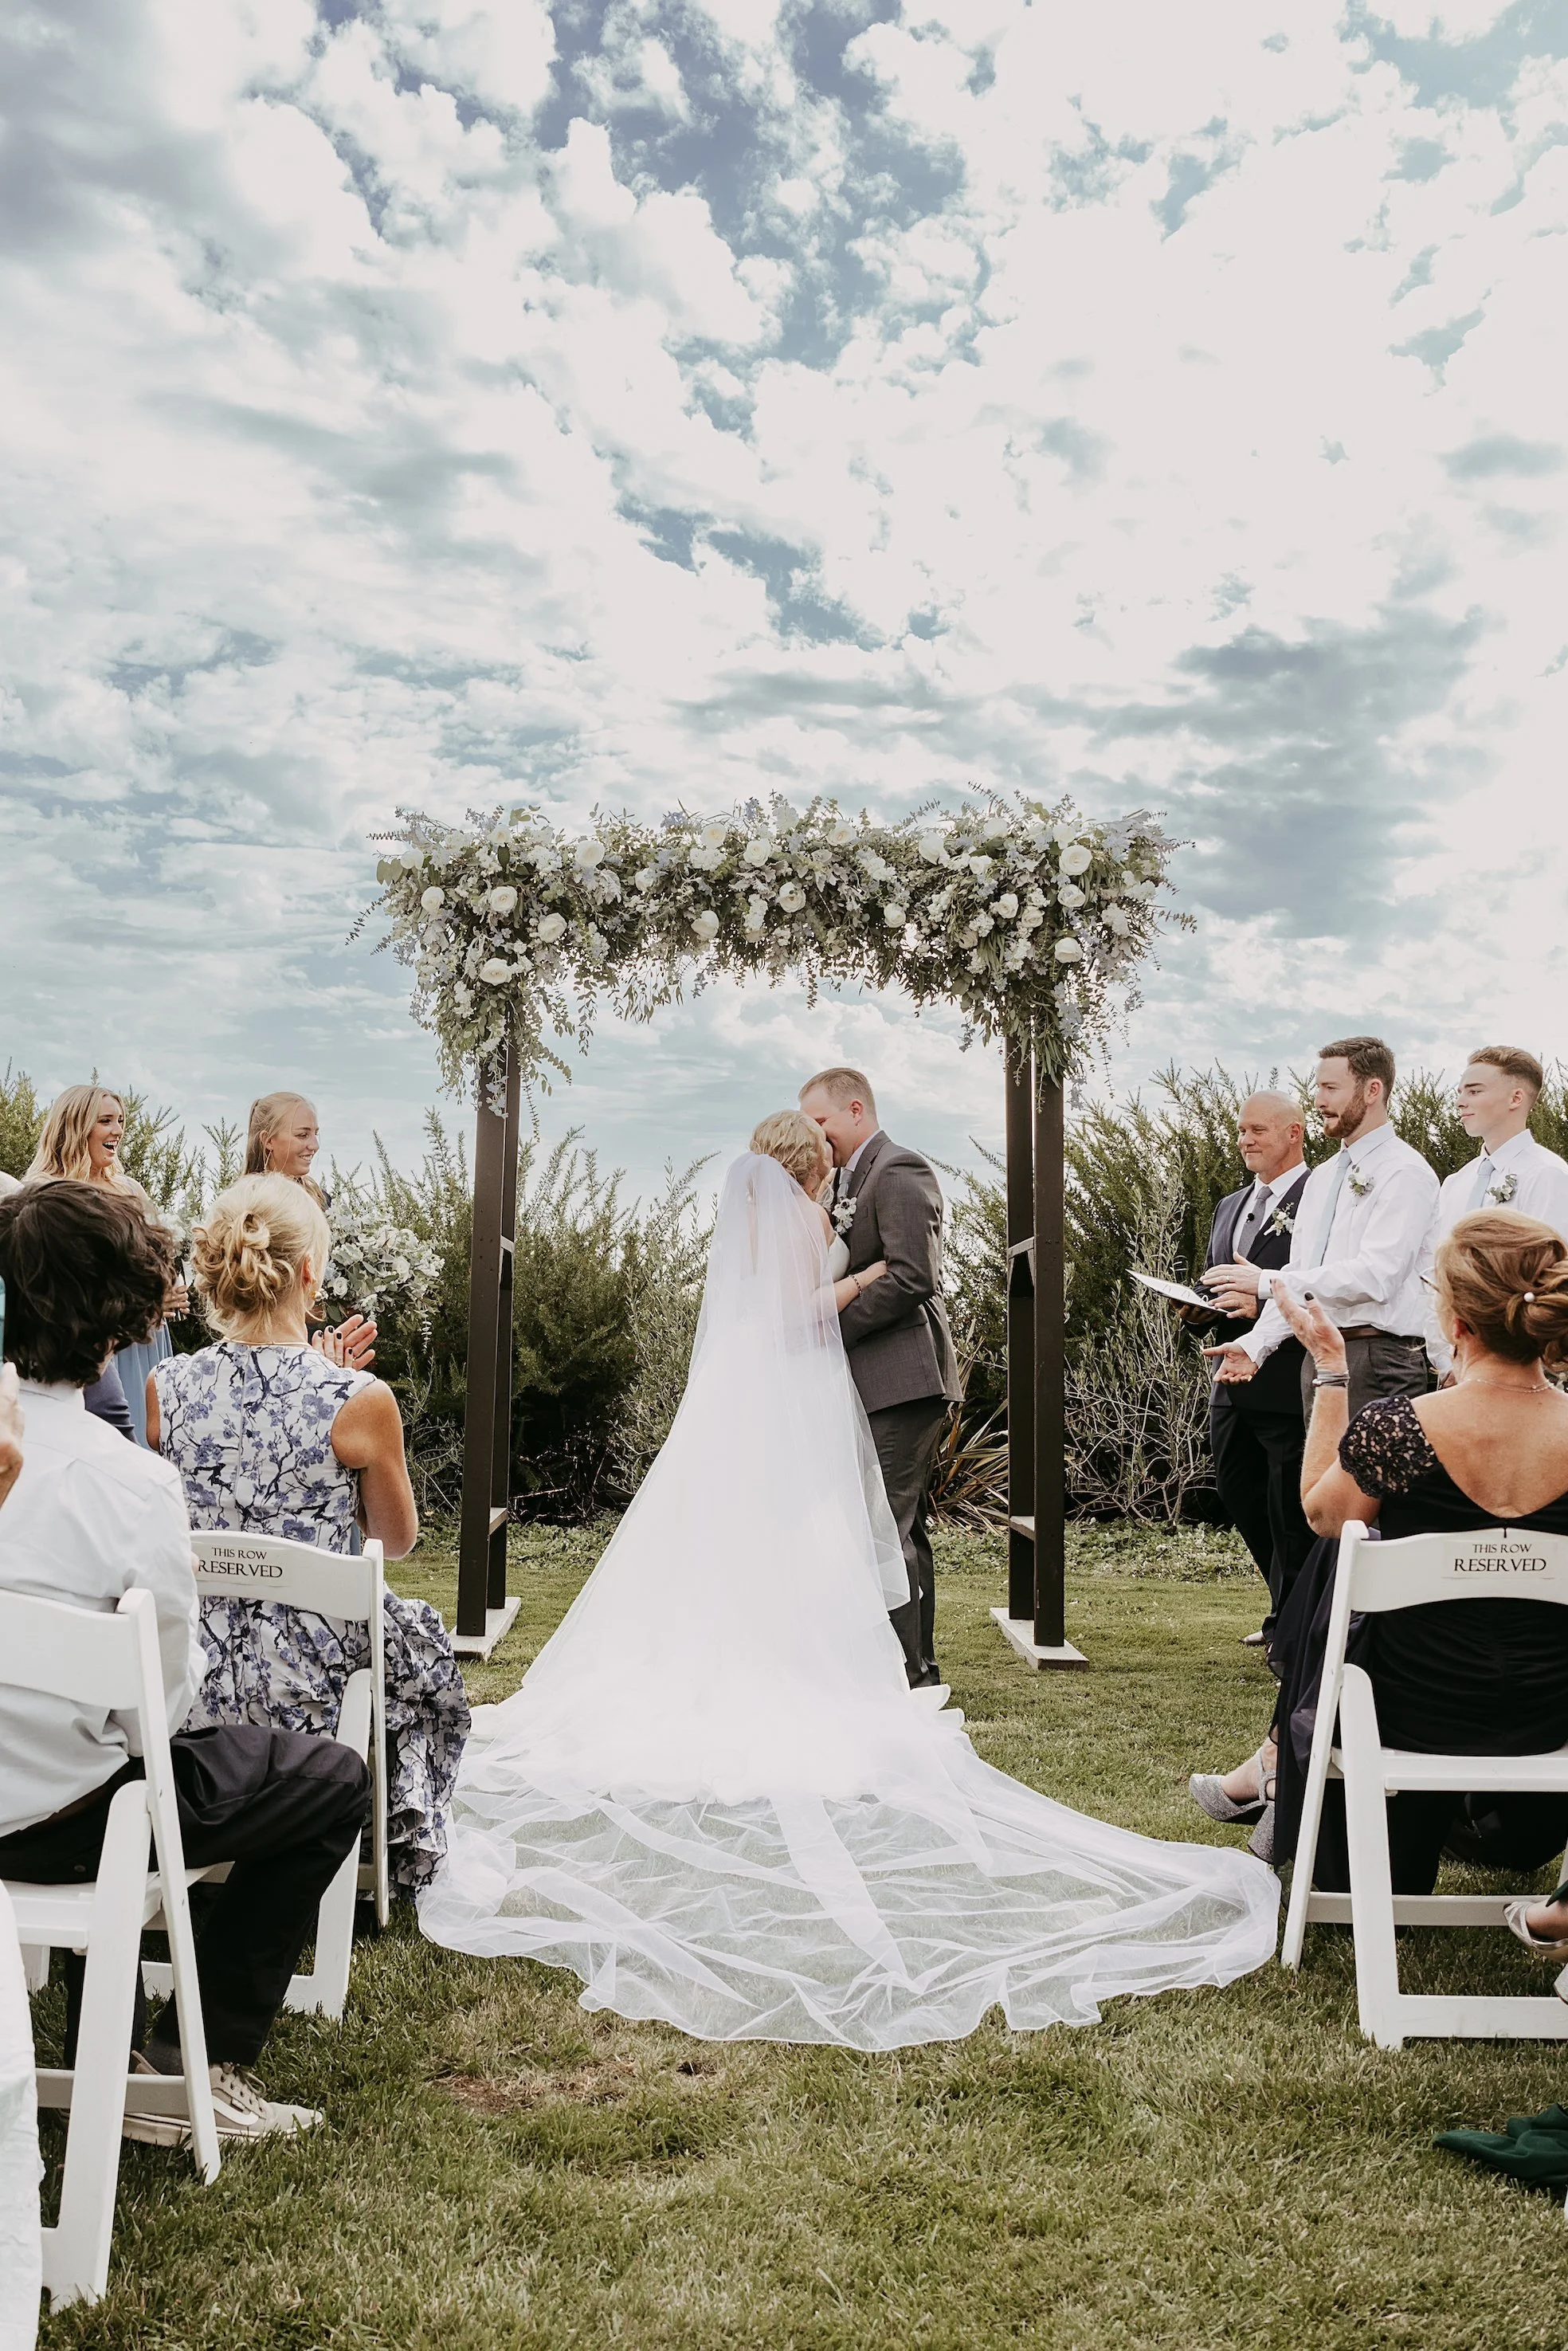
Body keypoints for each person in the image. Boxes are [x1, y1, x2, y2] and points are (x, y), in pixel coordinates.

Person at [417, 1148, 1278, 2047]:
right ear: (804, 1167)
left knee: (750, 1544)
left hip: (755, 1392)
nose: (829, 1175)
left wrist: (862, 1267)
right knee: (813, 1542)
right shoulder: (802, 1218)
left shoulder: (770, 1218)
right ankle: (803, 1665)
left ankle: (743, 1658)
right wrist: (860, 1269)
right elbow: (804, 1307)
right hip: (794, 1388)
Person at [0, 1179, 370, 2143]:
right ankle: (201, 2056)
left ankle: (103, 2037)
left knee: (116, 1770)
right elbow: (156, 1710)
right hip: (66, 1821)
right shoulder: (128, 1481)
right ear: (122, 1321)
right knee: (329, 1777)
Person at [1191, 1211, 1568, 1886]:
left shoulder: (1401, 1428)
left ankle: (1286, 1761)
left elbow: (1321, 1514)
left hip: (1403, 1712)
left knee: (1344, 1549)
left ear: (1455, 1321)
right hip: (1553, 1717)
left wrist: (1332, 1371)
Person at [148, 1174, 468, 1896]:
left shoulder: (164, 1386)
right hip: (306, 1692)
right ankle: (387, 1838)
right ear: (308, 1273)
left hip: (189, 1678)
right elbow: (398, 1538)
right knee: (419, 1658)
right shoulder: (358, 1401)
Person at [798, 1067, 961, 1688]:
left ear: (856, 1110)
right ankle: (912, 1665)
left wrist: (826, 1331)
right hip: (872, 1378)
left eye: (822, 1122)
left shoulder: (899, 1169)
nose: (816, 1136)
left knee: (885, 1526)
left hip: (903, 1377)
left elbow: (913, 1276)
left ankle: (904, 1677)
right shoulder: (844, 1178)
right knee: (896, 1525)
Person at [1203, 1036, 1437, 1419]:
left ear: (1372, 1090)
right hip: (1318, 1359)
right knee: (1317, 1482)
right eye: (1317, 1087)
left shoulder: (1405, 1171)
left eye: (1331, 1088)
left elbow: (1379, 1276)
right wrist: (1256, 1344)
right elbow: (1303, 1276)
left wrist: (1266, 1283)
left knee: (1370, 1482)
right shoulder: (1324, 1177)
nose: (1318, 1101)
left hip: (1379, 1359)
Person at [1184, 1093, 1312, 1650]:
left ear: (1294, 1134)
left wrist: (1262, 1301)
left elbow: (1311, 1281)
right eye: (1240, 1130)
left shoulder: (1321, 1196)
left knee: (1289, 1506)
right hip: (1228, 1376)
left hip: (1288, 1376)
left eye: (1258, 1129)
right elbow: (1219, 1279)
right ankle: (1284, 1607)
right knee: (1239, 1492)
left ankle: (1296, 1625)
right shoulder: (1230, 1204)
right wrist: (1194, 1303)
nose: (1245, 1140)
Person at [26, 1085, 189, 1446]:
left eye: (120, 1121)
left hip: (144, 1340)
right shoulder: (43, 1191)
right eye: (105, 1121)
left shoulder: (129, 1188)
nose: (117, 1130)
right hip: (85, 1342)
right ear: (74, 1126)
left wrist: (168, 1289)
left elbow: (154, 1260)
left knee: (143, 1444)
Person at [1425, 1046, 1568, 1380]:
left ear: (1516, 1098)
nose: (1461, 1101)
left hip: (1520, 1363)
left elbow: (1552, 1276)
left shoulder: (1548, 1174)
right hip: (1452, 1365)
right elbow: (1435, 1271)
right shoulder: (1456, 1183)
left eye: (1474, 1091)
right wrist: (1446, 1358)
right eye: (1460, 1092)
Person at [245, 1090, 330, 1207]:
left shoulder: (321, 1200)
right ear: (268, 1140)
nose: (315, 1146)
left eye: (315, 1134)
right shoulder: (247, 1205)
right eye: (303, 1135)